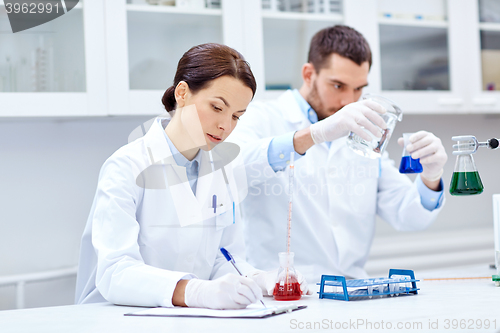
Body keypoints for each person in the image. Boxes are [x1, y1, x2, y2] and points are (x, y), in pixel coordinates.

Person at [74, 43, 310, 310]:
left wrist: (257, 278)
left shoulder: (221, 170)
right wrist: (197, 291)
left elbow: (224, 258)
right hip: (117, 319)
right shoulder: (126, 166)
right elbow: (115, 272)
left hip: (187, 319)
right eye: (217, 107)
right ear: (182, 93)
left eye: (236, 116)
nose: (226, 126)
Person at [228, 25, 448, 282]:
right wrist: (314, 134)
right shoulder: (263, 118)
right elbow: (232, 170)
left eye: (358, 89)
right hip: (281, 291)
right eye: (338, 86)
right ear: (309, 74)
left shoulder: (363, 136)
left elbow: (408, 216)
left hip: (350, 289)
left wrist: (431, 177)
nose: (349, 101)